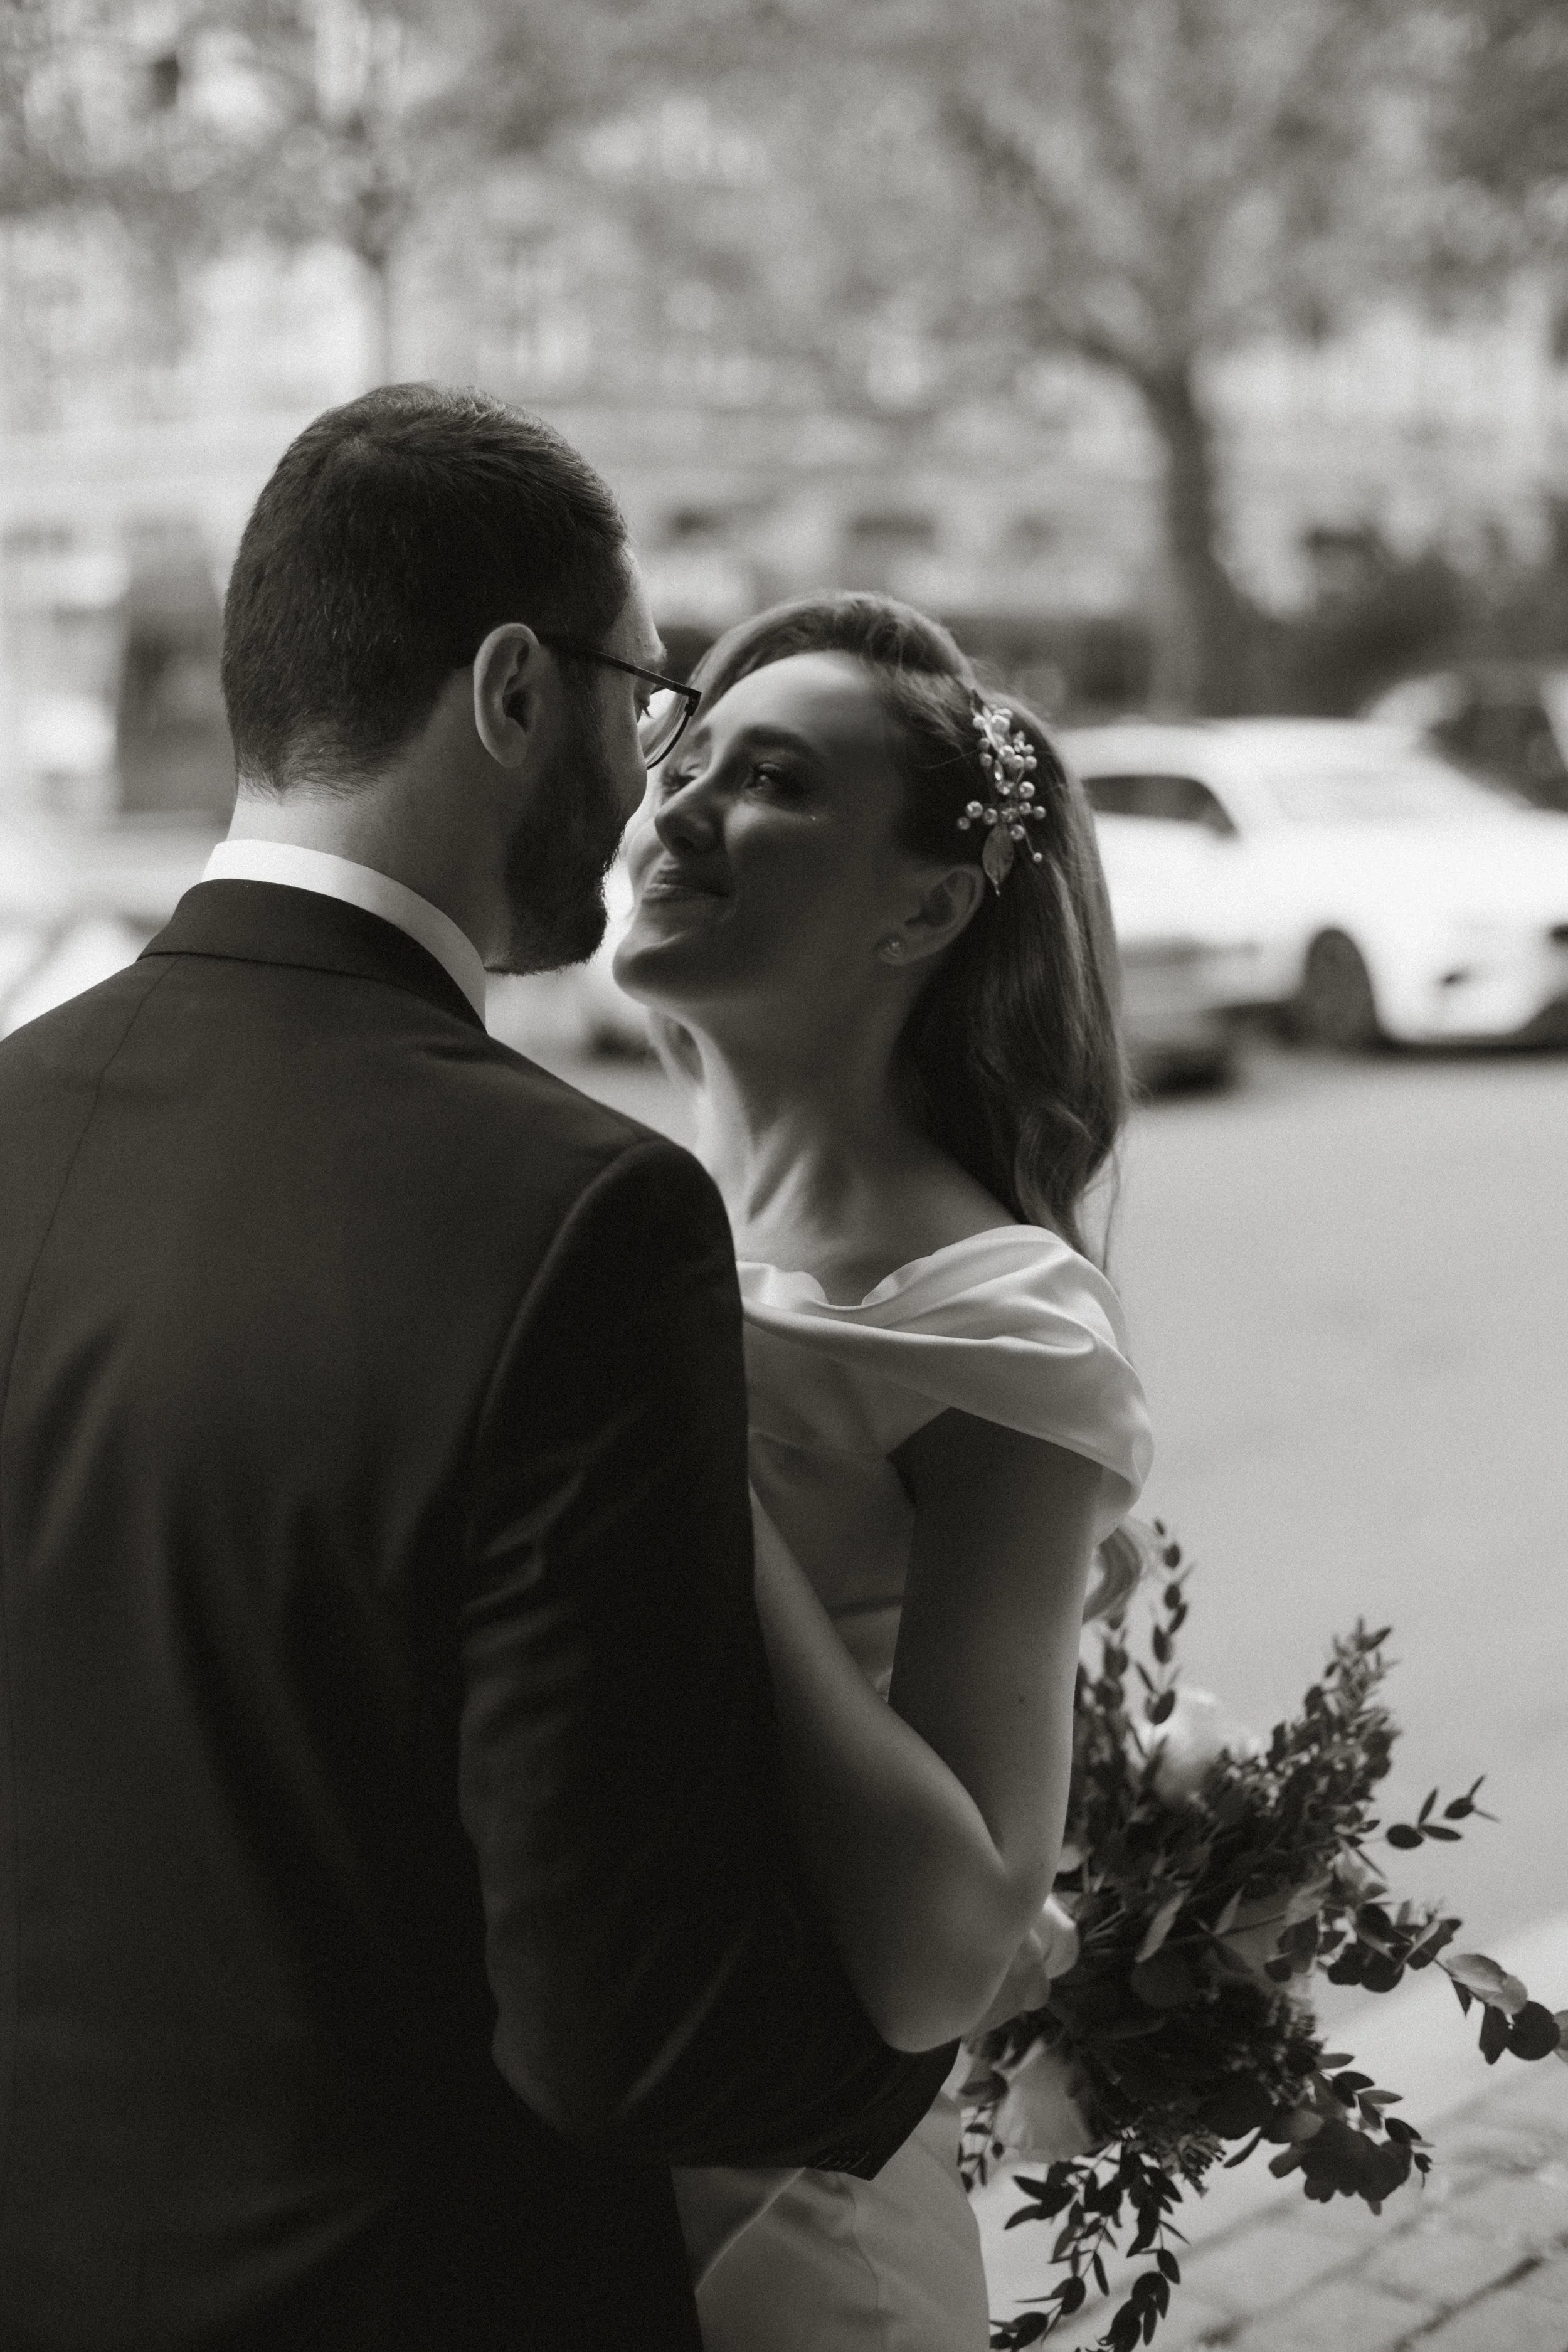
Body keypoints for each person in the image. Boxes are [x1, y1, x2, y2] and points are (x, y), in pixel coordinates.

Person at [0, 392, 958, 2352]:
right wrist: (943, 2046)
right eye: (645, 692)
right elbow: (629, 2023)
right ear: (515, 690)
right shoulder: (576, 1216)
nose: (646, 769)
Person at [612, 592, 1154, 2350]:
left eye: (767, 778)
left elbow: (944, 1949)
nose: (674, 807)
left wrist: (662, 1445)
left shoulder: (998, 1319)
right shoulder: (618, 1220)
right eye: (680, 756)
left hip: (784, 2217)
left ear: (925, 903)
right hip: (537, 2154)